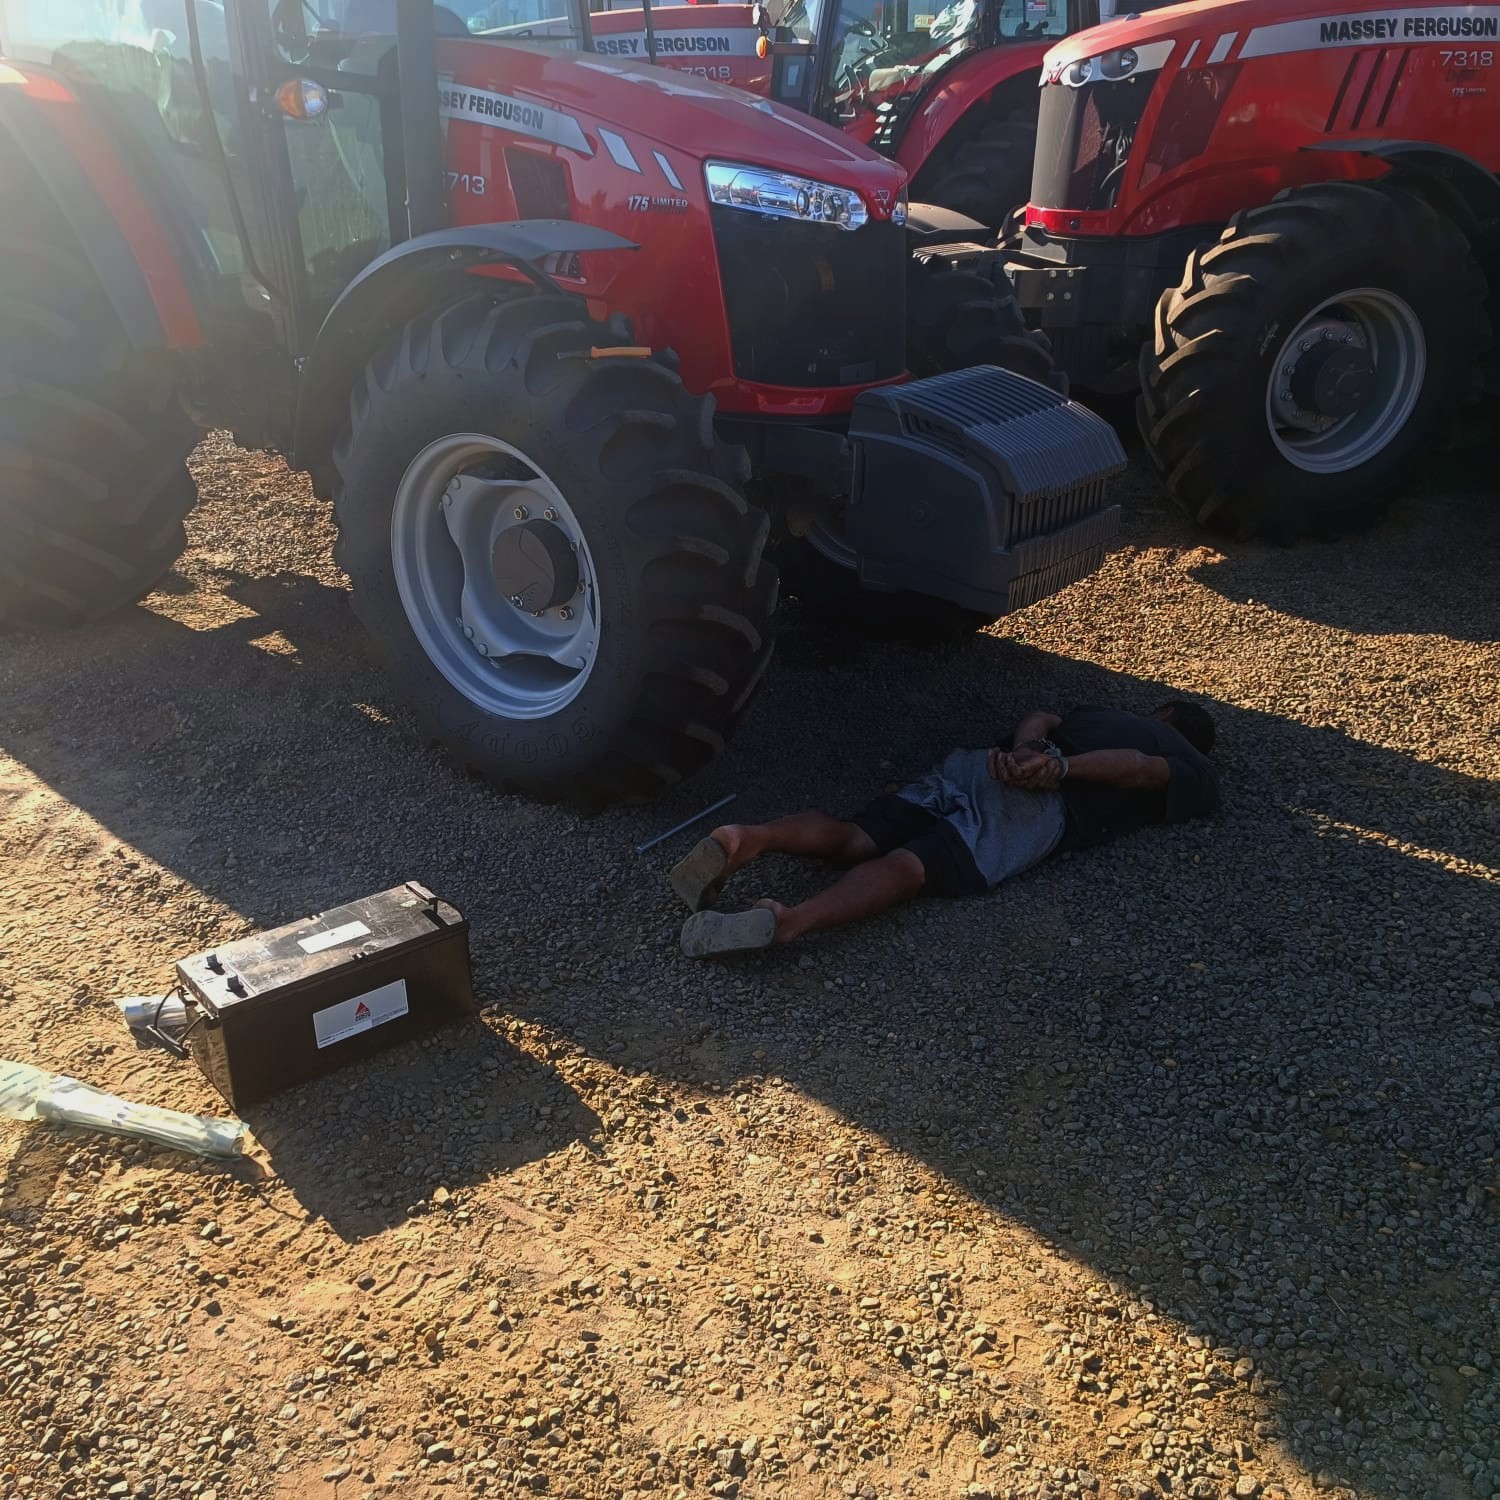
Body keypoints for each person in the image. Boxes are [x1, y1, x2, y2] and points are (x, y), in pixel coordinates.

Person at [672, 701, 1218, 957]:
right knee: (909, 866)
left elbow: (1039, 718)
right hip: (1034, 804)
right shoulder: (1190, 759)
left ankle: (745, 838)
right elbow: (1144, 770)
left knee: (856, 836)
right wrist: (1062, 770)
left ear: (1162, 711)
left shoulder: (1098, 713)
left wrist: (1027, 749)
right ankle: (788, 921)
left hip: (985, 764)